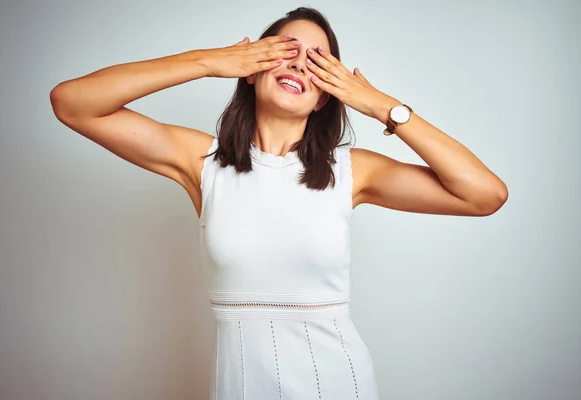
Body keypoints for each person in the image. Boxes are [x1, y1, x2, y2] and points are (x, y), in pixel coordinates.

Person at [50, 6, 508, 399]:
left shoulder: (353, 171)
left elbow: (485, 195)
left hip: (337, 382)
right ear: (253, 68)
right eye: (286, 51)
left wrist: (382, 106)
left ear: (327, 95)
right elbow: (72, 103)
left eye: (317, 62)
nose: (298, 67)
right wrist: (210, 62)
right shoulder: (202, 163)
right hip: (240, 384)